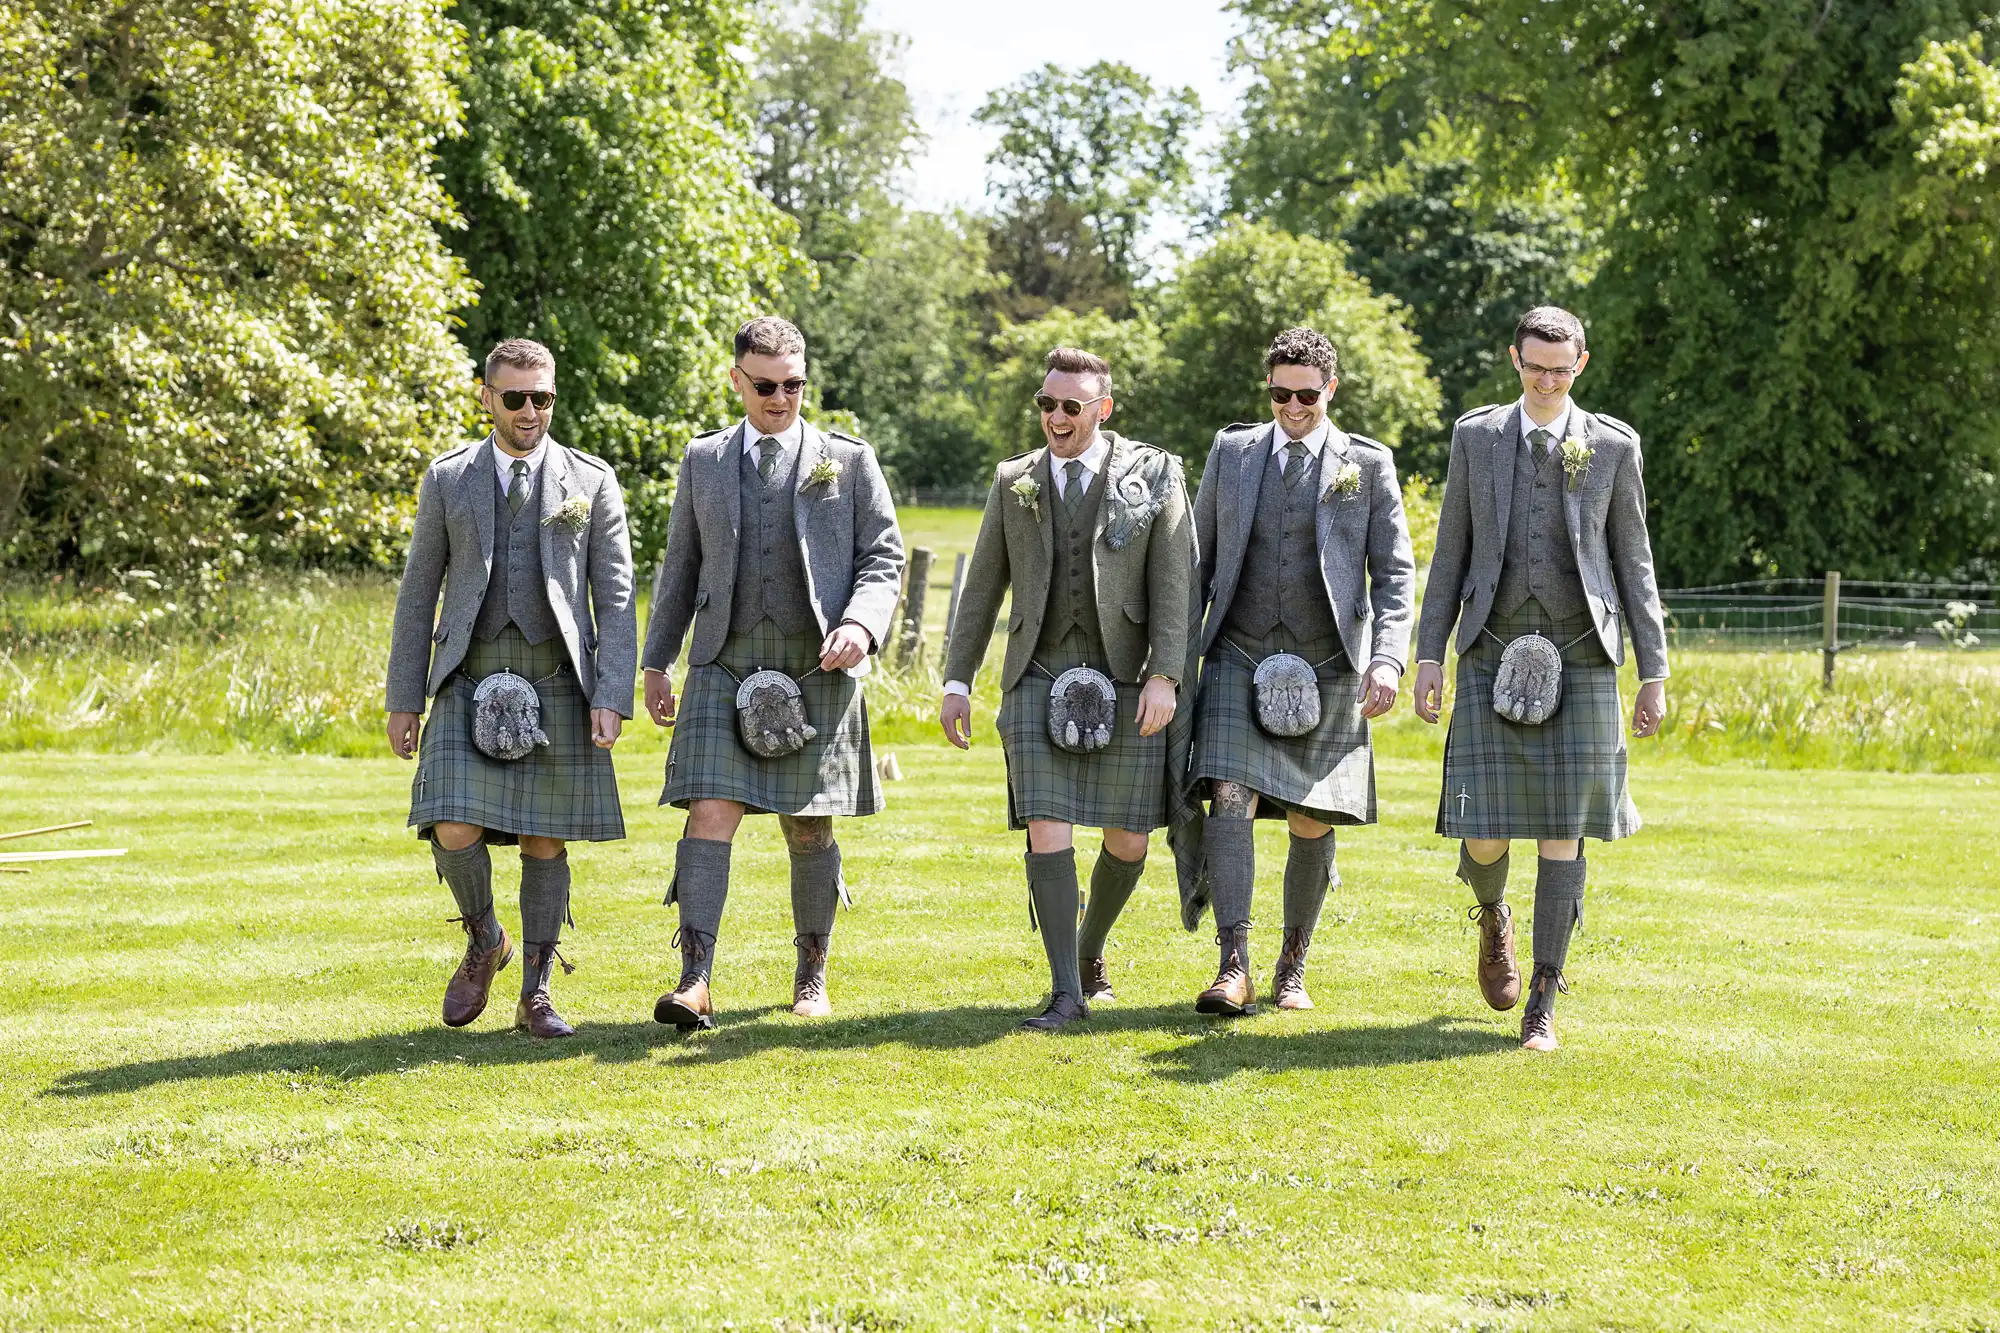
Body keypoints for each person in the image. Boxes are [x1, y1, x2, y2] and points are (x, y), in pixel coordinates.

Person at [1412, 305, 1669, 1052]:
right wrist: (1429, 654)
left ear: (1581, 363)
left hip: (1584, 648)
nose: (1548, 380)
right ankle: (1494, 916)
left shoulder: (1614, 447)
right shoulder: (1477, 436)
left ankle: (1544, 1002)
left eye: (1561, 369)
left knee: (1564, 831)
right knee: (1485, 833)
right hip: (1491, 641)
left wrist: (1654, 669)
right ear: (1515, 360)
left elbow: (1635, 563)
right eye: (1535, 367)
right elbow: (1449, 553)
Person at [642, 316, 904, 1030]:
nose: (781, 397)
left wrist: (859, 623)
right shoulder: (703, 460)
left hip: (814, 659)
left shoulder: (847, 460)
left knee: (809, 826)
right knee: (708, 810)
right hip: (723, 660)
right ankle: (694, 978)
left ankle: (812, 972)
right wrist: (656, 660)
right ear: (737, 380)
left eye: (794, 384)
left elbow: (885, 558)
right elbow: (681, 567)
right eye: (766, 385)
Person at [385, 337, 636, 1039]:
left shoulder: (591, 480)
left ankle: (537, 992)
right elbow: (418, 594)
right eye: (517, 398)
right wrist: (404, 698)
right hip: (466, 677)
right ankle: (483, 938)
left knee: (544, 840)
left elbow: (615, 598)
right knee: (451, 823)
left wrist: (611, 693)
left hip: (557, 678)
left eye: (544, 398)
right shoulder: (449, 477)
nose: (531, 411)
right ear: (487, 395)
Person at [938, 346, 1193, 1031]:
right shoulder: (1012, 480)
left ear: (1102, 409)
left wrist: (1165, 675)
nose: (1055, 417)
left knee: (1130, 839)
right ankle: (1063, 993)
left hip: (1124, 672)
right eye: (1046, 404)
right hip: (1036, 672)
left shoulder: (1155, 474)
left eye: (1070, 407)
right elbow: (982, 587)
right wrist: (957, 679)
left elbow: (1175, 584)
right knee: (1047, 826)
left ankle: (1087, 951)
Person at [1184, 327, 1416, 1016]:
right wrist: (1170, 661)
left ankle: (1292, 965)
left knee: (1313, 818)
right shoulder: (1232, 452)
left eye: (1306, 395)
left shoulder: (1368, 465)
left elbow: (1396, 573)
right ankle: (1234, 965)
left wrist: (1388, 657)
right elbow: (1198, 560)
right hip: (1238, 648)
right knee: (1229, 794)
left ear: (1330, 389)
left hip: (1329, 658)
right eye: (1280, 393)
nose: (1292, 406)